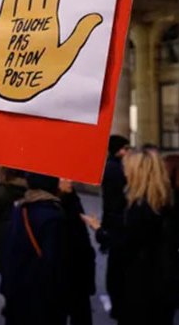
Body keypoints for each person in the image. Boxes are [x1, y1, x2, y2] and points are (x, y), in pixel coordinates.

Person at [83, 149, 177, 325]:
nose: (124, 171)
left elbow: (124, 245)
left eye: (127, 167)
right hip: (162, 291)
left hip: (140, 292)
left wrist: (99, 230)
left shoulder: (140, 210)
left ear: (137, 172)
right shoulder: (165, 203)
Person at [2, 172, 67, 325]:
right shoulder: (54, 217)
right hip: (40, 298)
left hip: (17, 293)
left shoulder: (21, 208)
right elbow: (54, 265)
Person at [58, 178, 95, 325]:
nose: (69, 181)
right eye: (64, 178)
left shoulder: (72, 197)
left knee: (80, 312)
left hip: (79, 265)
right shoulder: (55, 204)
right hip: (65, 266)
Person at [100, 134, 129, 319]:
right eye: (125, 148)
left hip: (112, 218)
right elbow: (113, 201)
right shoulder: (115, 168)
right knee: (117, 264)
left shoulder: (111, 166)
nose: (127, 152)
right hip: (117, 219)